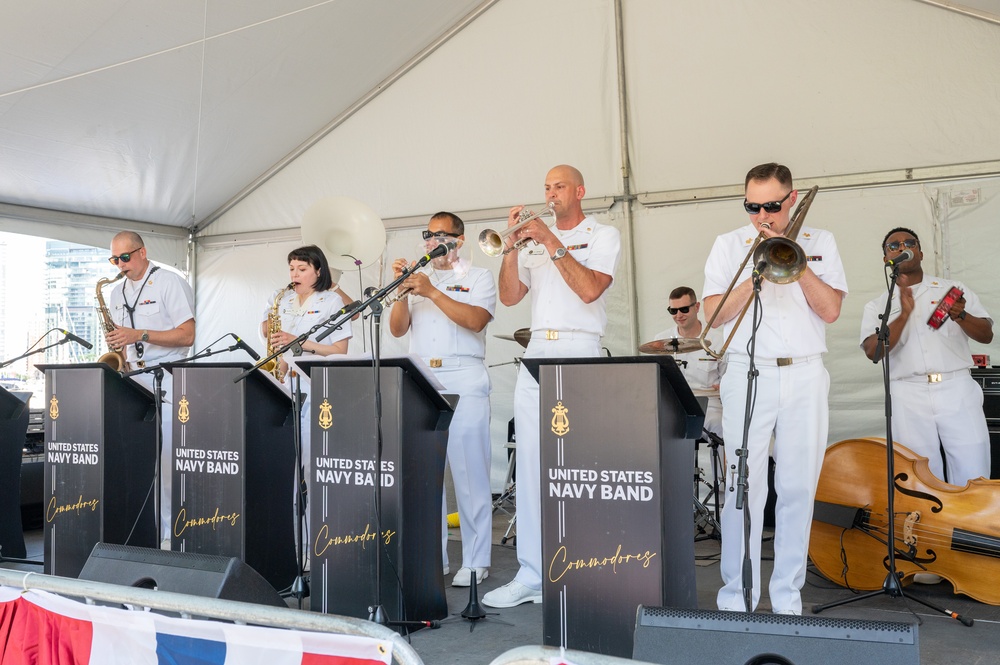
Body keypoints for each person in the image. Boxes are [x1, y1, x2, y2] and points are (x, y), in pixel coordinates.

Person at [702, 163, 847, 615]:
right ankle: (737, 596)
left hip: (804, 371)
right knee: (743, 486)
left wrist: (793, 257)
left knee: (799, 486)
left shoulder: (820, 242)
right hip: (750, 370)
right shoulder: (730, 245)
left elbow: (831, 311)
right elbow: (711, 313)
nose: (761, 215)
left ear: (792, 198)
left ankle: (787, 597)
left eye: (770, 205)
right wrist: (757, 267)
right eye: (752, 206)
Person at [482, 165, 621, 608]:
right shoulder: (533, 242)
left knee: (580, 464)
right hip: (538, 348)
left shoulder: (602, 235)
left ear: (579, 190)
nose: (551, 193)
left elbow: (589, 290)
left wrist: (548, 239)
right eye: (546, 187)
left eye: (559, 186)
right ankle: (531, 574)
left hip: (581, 347)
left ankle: (583, 566)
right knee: (532, 462)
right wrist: (510, 248)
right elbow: (508, 298)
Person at [388, 212, 497, 587]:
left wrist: (432, 292)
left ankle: (477, 559)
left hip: (464, 373)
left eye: (440, 235)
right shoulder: (418, 278)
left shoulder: (478, 276)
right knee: (425, 471)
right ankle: (436, 555)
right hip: (422, 374)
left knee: (469, 470)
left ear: (459, 240)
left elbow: (475, 321)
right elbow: (398, 328)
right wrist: (402, 290)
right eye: (428, 235)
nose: (432, 241)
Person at [860, 227, 993, 485]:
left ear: (920, 252)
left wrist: (961, 315)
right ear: (886, 258)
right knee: (920, 473)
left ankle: (970, 526)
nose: (902, 247)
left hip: (956, 388)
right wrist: (904, 315)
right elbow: (873, 352)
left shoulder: (952, 290)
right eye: (894, 245)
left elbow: (986, 335)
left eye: (909, 242)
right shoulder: (878, 305)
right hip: (907, 393)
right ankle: (933, 526)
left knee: (972, 467)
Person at [105, 231, 196, 546]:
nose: (120, 265)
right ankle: (141, 536)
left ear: (142, 252)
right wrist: (118, 344)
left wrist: (138, 334)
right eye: (114, 259)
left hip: (167, 379)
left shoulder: (169, 282)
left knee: (167, 465)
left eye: (125, 258)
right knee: (137, 463)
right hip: (131, 380)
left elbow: (187, 335)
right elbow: (124, 337)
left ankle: (171, 540)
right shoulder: (116, 292)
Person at [653, 286, 724, 437]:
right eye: (673, 311)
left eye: (684, 309)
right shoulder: (660, 340)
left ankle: (722, 461)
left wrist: (724, 385)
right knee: (653, 426)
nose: (679, 315)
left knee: (721, 425)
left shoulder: (718, 340)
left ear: (697, 307)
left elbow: (729, 376)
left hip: (709, 404)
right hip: (673, 405)